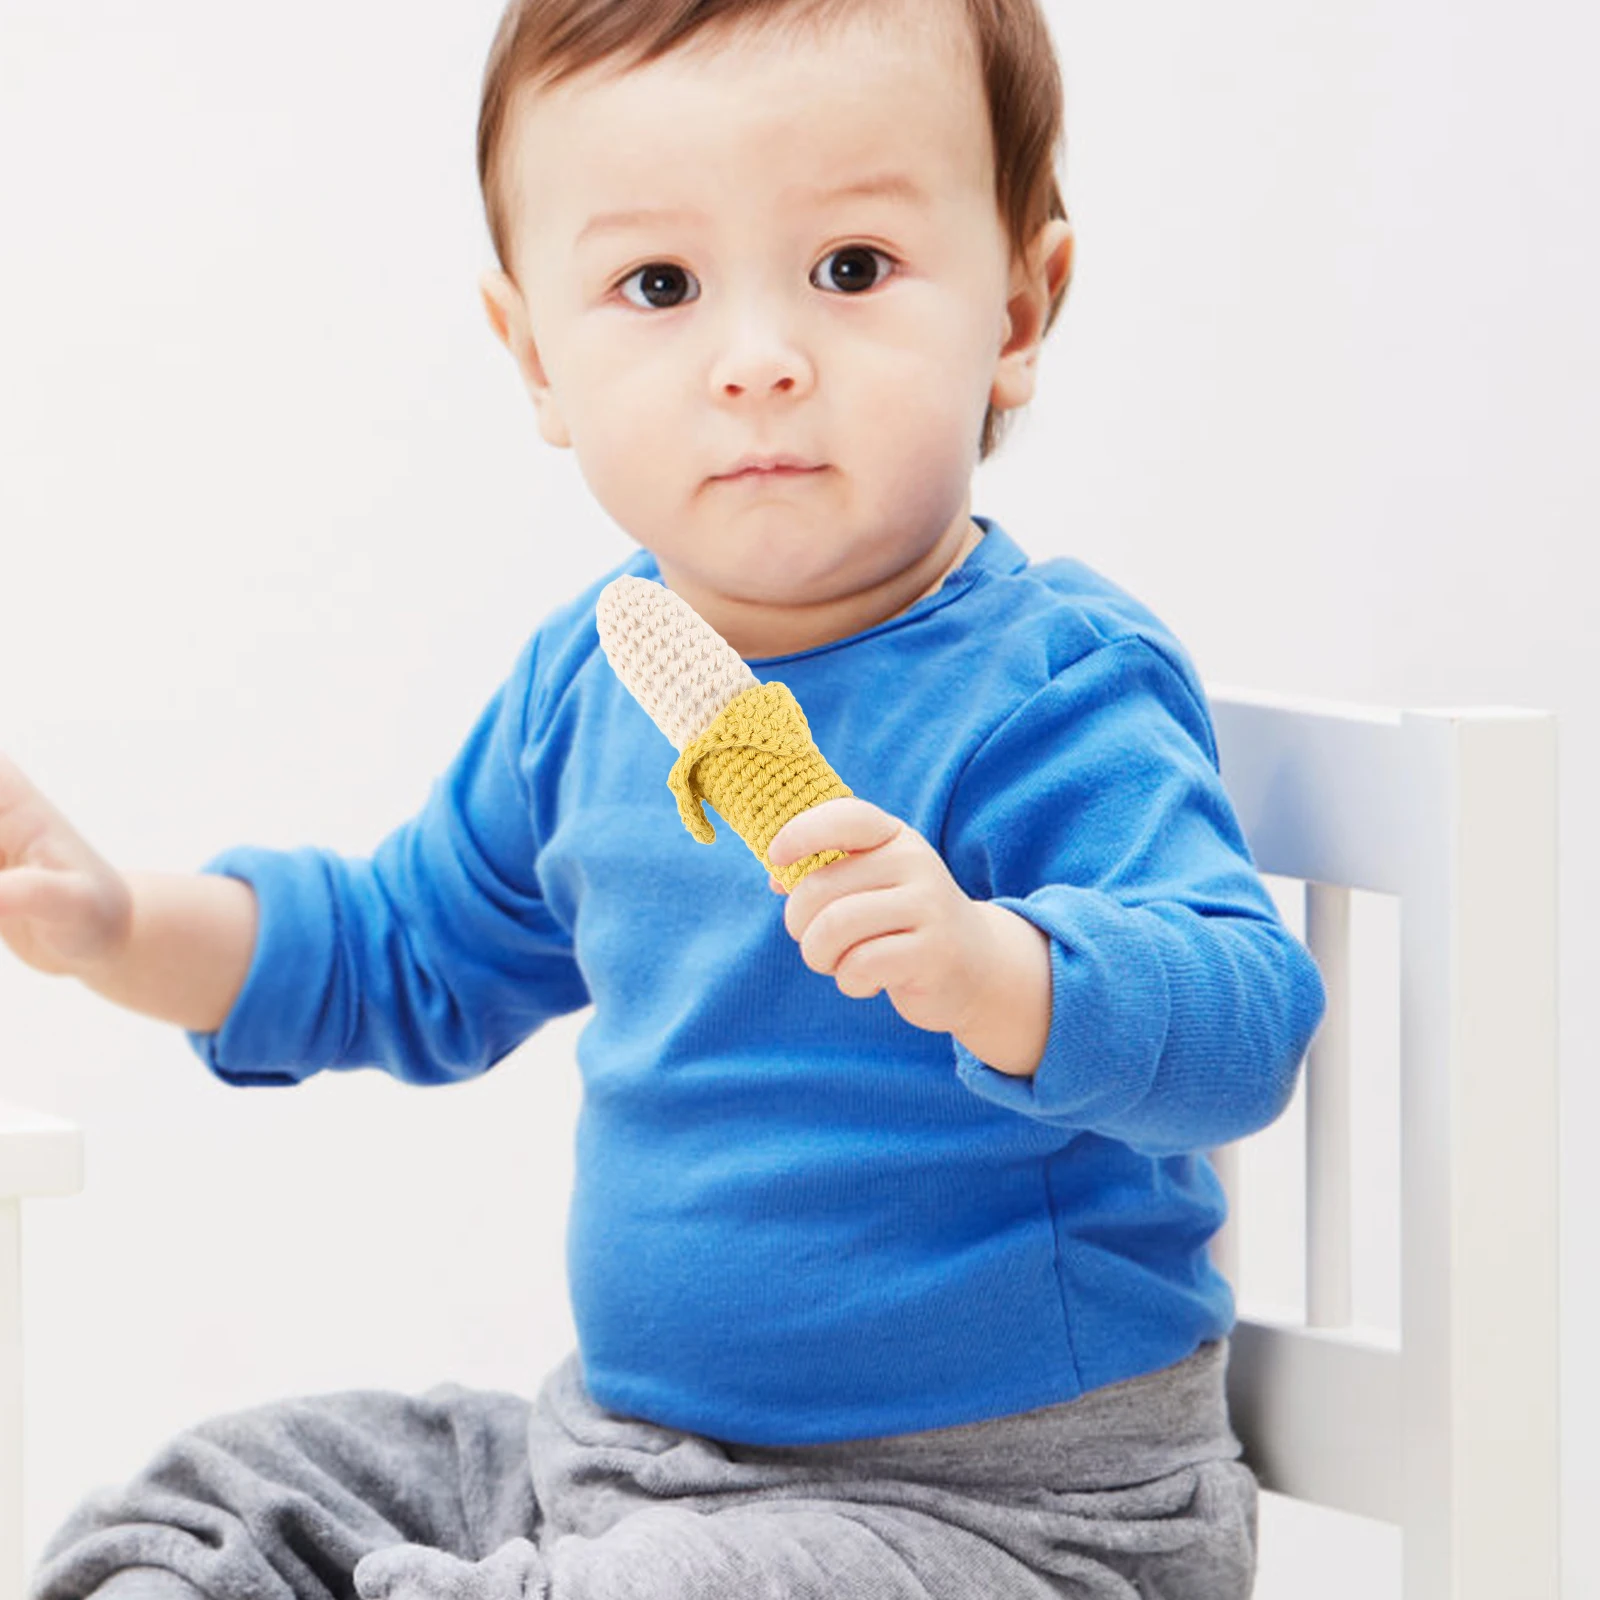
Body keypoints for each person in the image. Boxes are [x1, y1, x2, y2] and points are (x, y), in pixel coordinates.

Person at [3, 0, 1326, 1595]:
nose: (758, 360)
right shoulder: (597, 683)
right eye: (659, 286)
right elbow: (398, 951)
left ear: (1022, 308)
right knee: (224, 1496)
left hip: (1003, 1515)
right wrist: (118, 921)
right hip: (623, 1463)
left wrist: (999, 968)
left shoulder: (1052, 686)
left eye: (850, 270)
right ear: (538, 356)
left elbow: (1249, 1020)